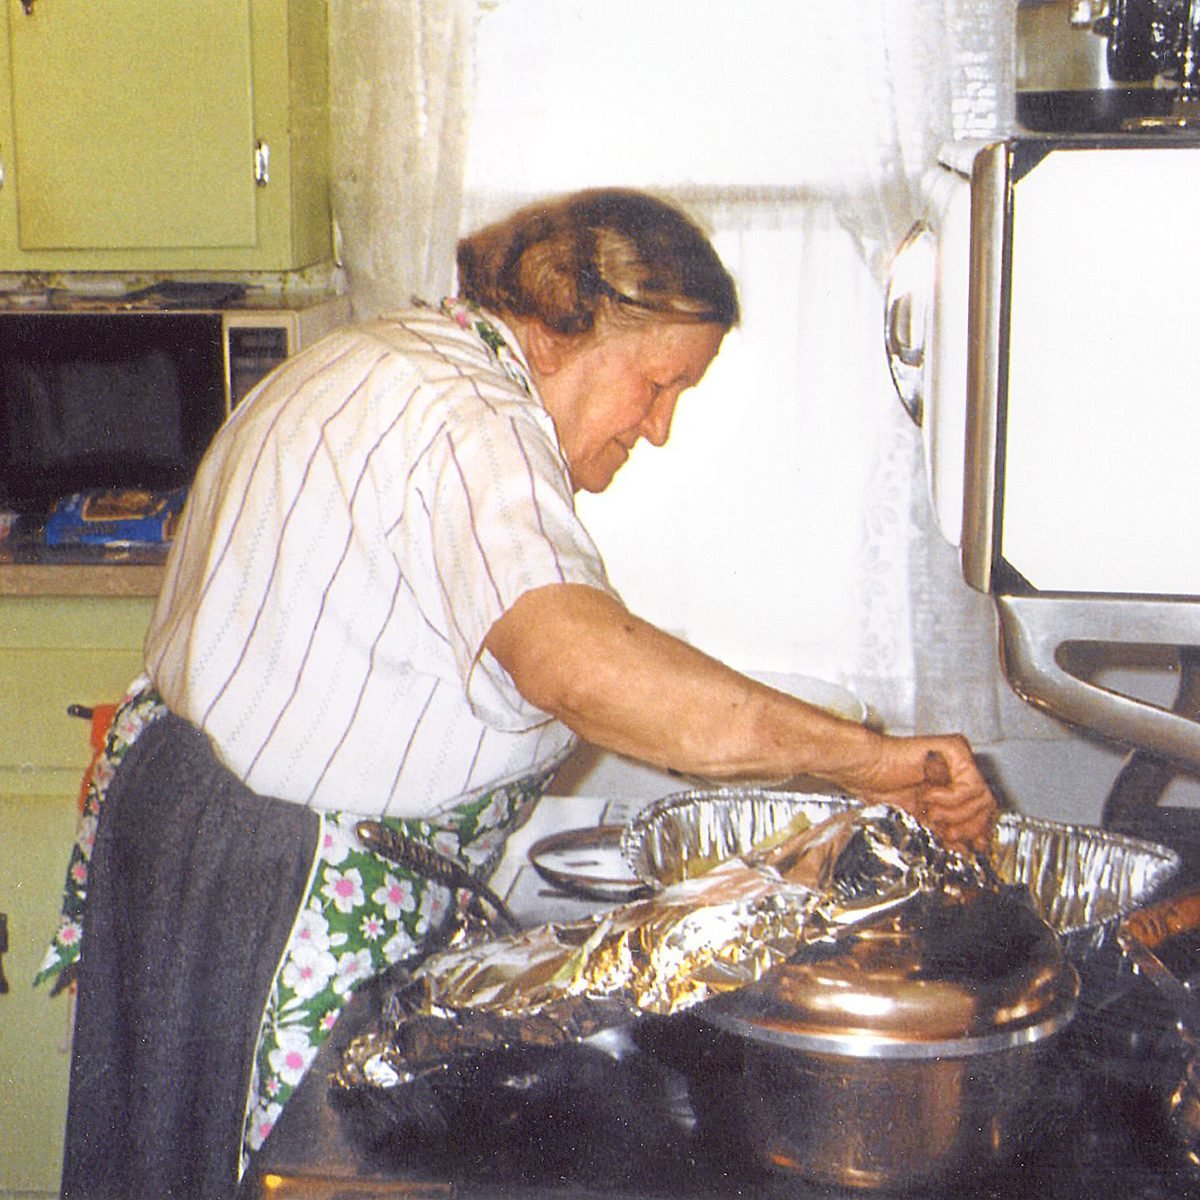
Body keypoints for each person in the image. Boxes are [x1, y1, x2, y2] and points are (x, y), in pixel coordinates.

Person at [50, 188, 996, 1200]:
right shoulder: (471, 424)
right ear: (569, 325)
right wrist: (863, 756)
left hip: (196, 840)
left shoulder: (386, 356)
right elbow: (576, 663)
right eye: (658, 383)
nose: (661, 427)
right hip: (282, 898)